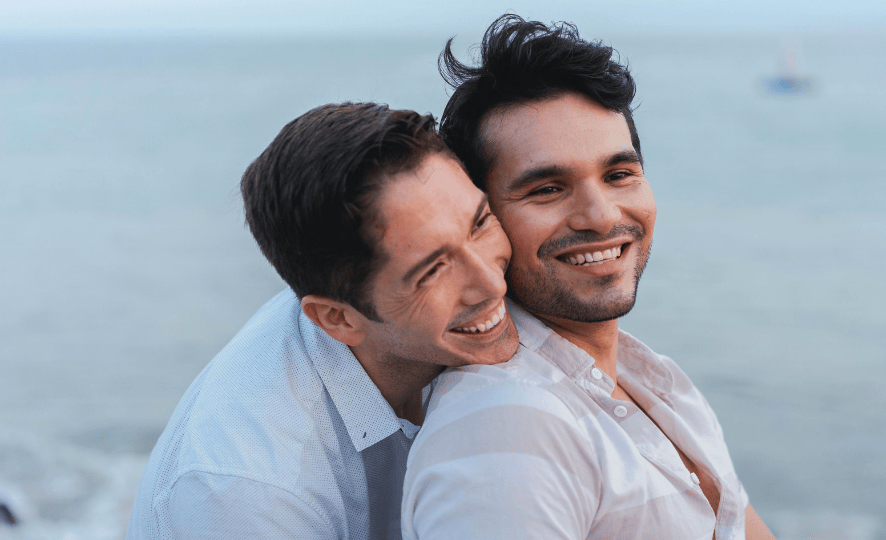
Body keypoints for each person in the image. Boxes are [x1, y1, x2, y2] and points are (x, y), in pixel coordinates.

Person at [402, 15, 777, 540]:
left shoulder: (654, 379)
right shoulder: (505, 432)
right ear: (481, 220)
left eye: (619, 174)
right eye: (547, 189)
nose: (601, 216)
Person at [127, 102, 519, 540]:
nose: (491, 283)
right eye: (432, 271)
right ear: (337, 319)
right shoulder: (251, 493)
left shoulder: (421, 324)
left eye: (480, 223)